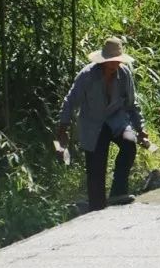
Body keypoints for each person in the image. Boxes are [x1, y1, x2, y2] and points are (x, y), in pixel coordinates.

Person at [57, 37, 150, 211]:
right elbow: (71, 101)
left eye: (117, 60)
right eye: (111, 61)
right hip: (93, 124)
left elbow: (131, 104)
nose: (114, 64)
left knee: (129, 144)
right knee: (96, 167)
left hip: (117, 120)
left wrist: (141, 129)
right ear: (103, 60)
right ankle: (97, 207)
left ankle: (118, 191)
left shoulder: (124, 74)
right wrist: (63, 127)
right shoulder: (87, 75)